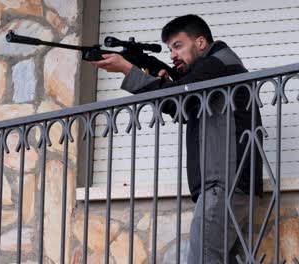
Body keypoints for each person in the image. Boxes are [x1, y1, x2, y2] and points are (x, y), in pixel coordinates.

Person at [92, 14, 262, 263]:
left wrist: (129, 70)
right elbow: (184, 108)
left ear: (201, 42)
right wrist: (167, 81)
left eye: (178, 46)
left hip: (223, 185)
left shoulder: (217, 64)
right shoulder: (216, 69)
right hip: (229, 185)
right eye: (170, 48)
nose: (172, 55)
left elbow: (177, 102)